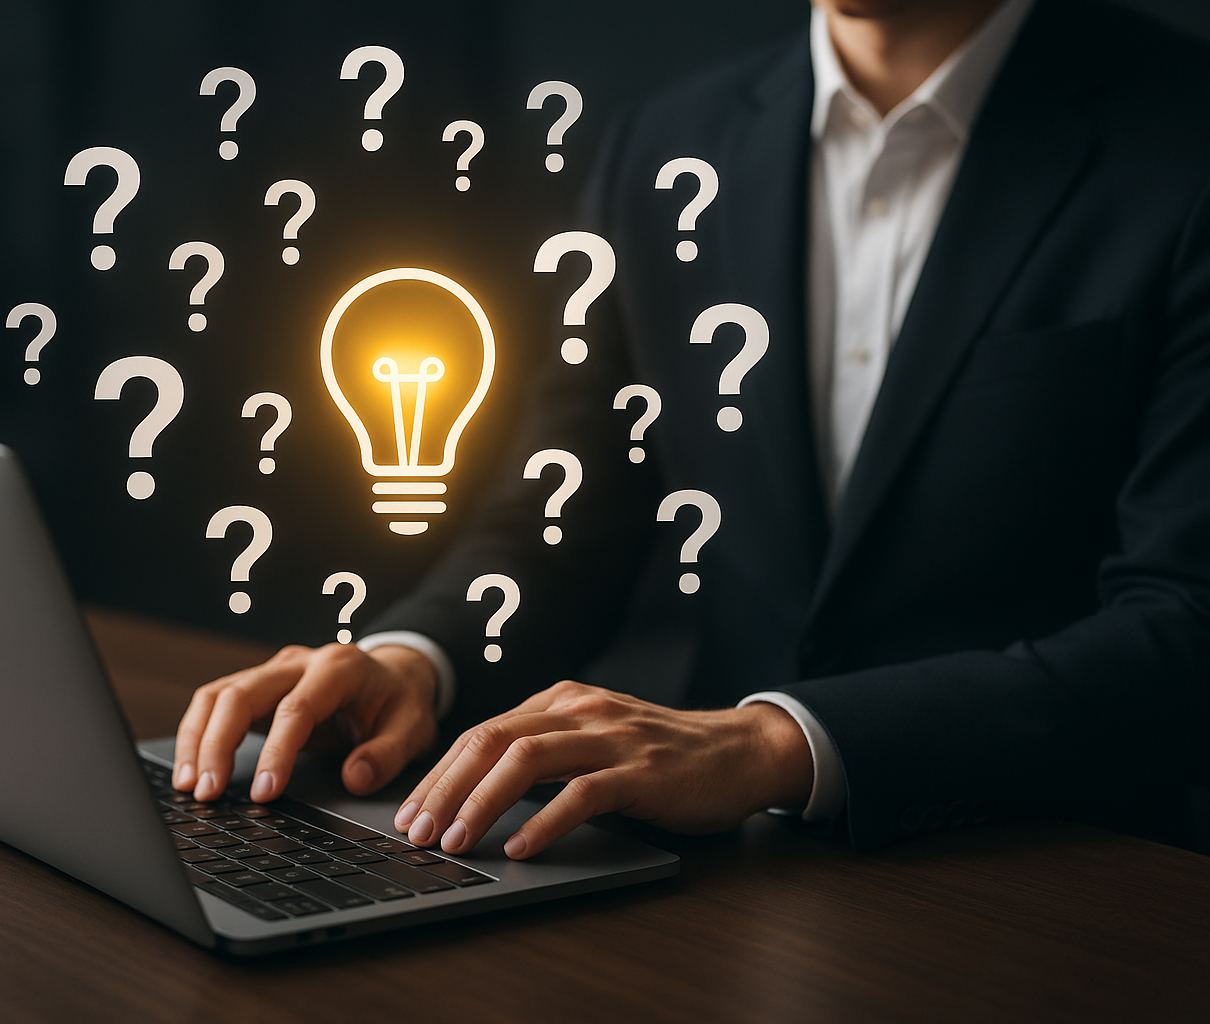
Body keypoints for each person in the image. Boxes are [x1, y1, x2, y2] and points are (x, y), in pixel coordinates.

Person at [173, 0, 1210, 858]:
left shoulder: (1183, 138)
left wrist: (779, 742)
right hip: (714, 882)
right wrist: (417, 655)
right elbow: (567, 509)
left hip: (1068, 877)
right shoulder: (666, 147)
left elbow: (1186, 625)